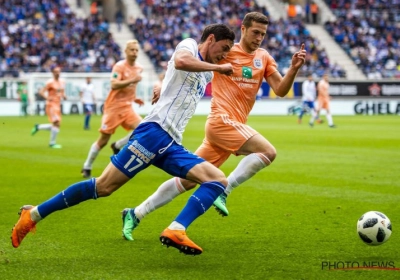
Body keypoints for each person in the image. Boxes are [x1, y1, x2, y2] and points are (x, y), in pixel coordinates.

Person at [11, 23, 236, 256]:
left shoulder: (209, 69)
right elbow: (179, 62)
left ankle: (176, 229)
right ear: (210, 39)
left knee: (217, 179)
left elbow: (175, 73)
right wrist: (216, 68)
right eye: (224, 48)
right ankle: (34, 214)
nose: (225, 55)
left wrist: (162, 84)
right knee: (104, 186)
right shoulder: (189, 45)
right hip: (154, 133)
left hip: (170, 143)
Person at [120, 12, 307, 242]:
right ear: (243, 29)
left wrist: (294, 68)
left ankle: (135, 213)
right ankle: (224, 191)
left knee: (187, 181)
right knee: (267, 152)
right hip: (221, 121)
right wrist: (162, 85)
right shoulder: (224, 51)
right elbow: (185, 62)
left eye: (263, 34)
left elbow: (279, 90)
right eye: (256, 32)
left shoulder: (264, 57)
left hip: (232, 128)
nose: (259, 38)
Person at [81, 40, 144, 178]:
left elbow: (130, 88)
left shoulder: (139, 68)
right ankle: (87, 165)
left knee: (143, 128)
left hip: (127, 106)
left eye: (136, 50)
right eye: (132, 50)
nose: (134, 53)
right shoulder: (119, 66)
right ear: (126, 51)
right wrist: (132, 80)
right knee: (103, 140)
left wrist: (135, 98)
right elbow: (114, 85)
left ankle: (118, 145)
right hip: (113, 107)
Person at [110, 71, 166, 154]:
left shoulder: (165, 84)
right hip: (157, 110)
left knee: (146, 130)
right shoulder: (158, 84)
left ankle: (118, 145)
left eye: (163, 75)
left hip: (162, 111)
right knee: (143, 129)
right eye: (161, 75)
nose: (162, 76)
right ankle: (122, 146)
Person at [31, 66, 66, 148]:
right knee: (56, 123)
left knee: (57, 125)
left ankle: (38, 127)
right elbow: (41, 92)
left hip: (57, 104)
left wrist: (64, 96)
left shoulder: (62, 82)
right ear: (53, 73)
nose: (58, 73)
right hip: (51, 105)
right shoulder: (50, 82)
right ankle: (52, 143)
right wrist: (47, 98)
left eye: (59, 71)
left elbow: (61, 92)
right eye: (56, 71)